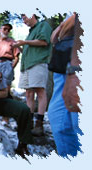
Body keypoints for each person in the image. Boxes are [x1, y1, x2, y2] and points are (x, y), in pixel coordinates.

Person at [47, 12, 83, 157]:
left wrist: (75, 68)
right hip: (65, 56)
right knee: (58, 121)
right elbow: (54, 38)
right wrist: (63, 26)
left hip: (78, 58)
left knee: (78, 123)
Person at [13, 14, 52, 136]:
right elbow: (28, 49)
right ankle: (28, 124)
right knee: (29, 93)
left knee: (40, 91)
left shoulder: (43, 25)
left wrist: (24, 42)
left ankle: (39, 125)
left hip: (38, 63)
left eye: (24, 17)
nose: (23, 21)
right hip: (27, 66)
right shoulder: (30, 33)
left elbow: (44, 42)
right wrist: (19, 47)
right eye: (22, 19)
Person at [0, 23, 21, 123]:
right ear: (0, 30)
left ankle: (6, 117)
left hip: (7, 64)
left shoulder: (12, 42)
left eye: (8, 30)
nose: (6, 31)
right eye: (5, 29)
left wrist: (11, 67)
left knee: (6, 90)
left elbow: (17, 57)